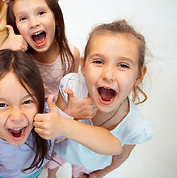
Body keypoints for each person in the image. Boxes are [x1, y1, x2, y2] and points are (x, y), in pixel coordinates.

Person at [0, 49, 122, 178]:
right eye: (2, 104)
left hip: (34, 172)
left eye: (27, 102)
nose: (17, 116)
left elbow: (114, 146)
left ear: (40, 99)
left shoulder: (48, 120)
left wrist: (67, 123)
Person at [48, 20, 154, 178]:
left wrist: (100, 174)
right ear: (83, 66)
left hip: (90, 164)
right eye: (98, 61)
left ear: (138, 76)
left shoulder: (135, 126)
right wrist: (70, 113)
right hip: (64, 148)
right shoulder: (72, 88)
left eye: (123, 65)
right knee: (52, 165)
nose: (108, 75)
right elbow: (54, 135)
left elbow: (121, 156)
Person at [7, 0, 96, 119]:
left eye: (41, 13)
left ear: (56, 19)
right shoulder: (18, 57)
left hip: (60, 115)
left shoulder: (71, 55)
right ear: (16, 28)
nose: (33, 23)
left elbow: (68, 92)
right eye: (23, 18)